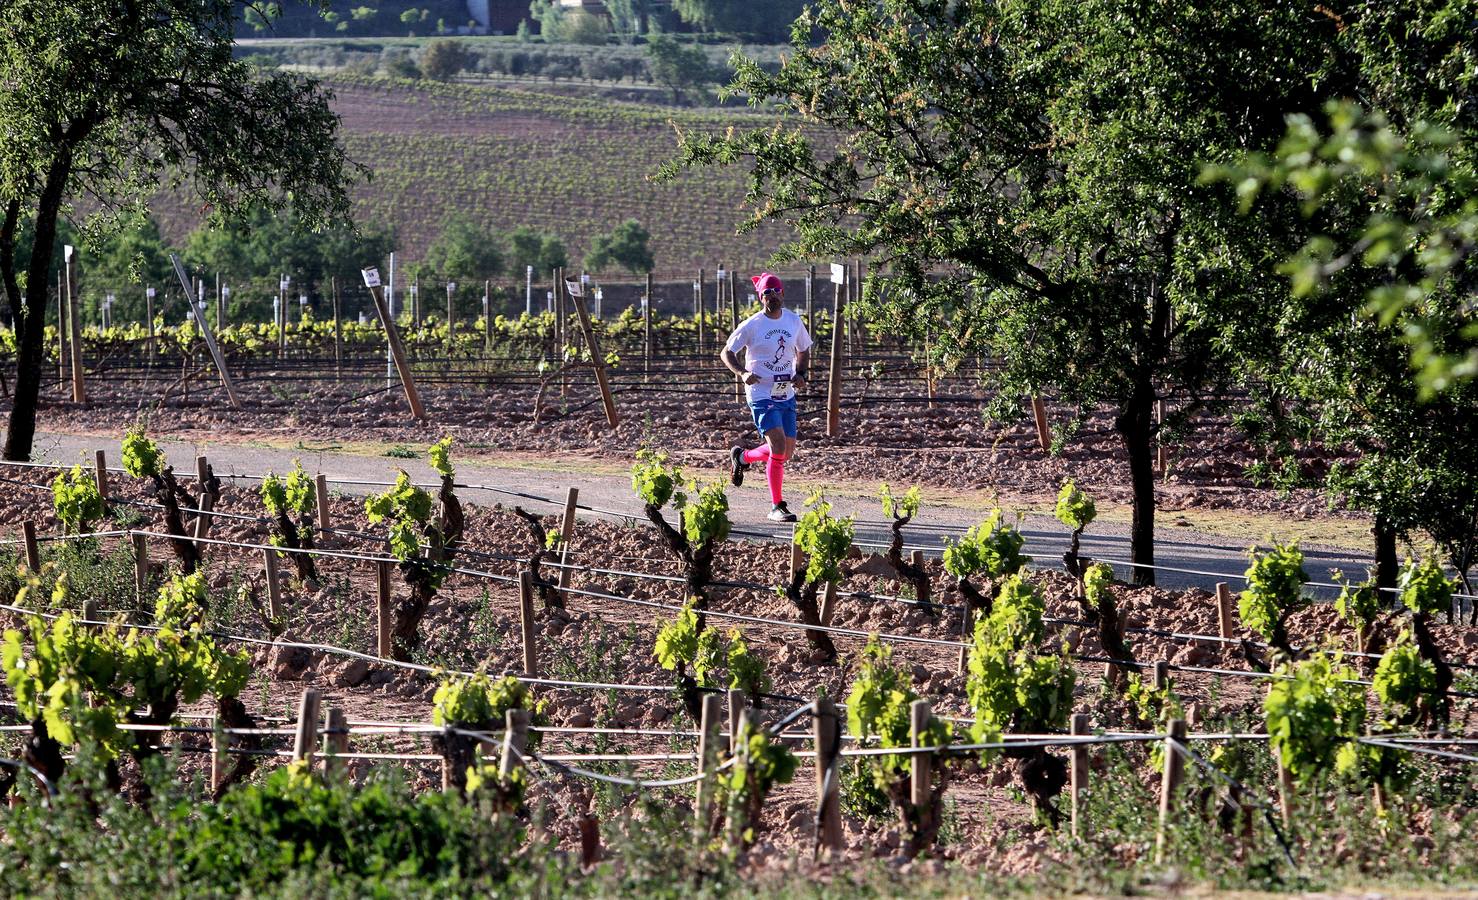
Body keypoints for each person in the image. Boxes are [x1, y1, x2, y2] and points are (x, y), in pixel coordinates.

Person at [721, 272, 812, 522]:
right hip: (761, 392)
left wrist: (801, 373)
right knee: (778, 447)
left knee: (786, 452)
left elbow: (803, 350)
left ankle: (743, 456)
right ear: (761, 298)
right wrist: (742, 373)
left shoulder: (793, 321)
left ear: (783, 293)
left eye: (775, 291)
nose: (771, 296)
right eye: (766, 293)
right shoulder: (752, 325)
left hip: (786, 391)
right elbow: (727, 352)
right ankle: (776, 506)